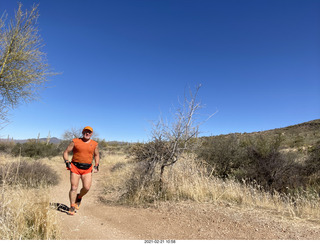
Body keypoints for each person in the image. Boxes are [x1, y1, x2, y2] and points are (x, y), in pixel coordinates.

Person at [63, 126, 100, 215]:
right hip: (75, 167)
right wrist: (67, 161)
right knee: (73, 188)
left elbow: (96, 155)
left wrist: (96, 165)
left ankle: (79, 197)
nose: (87, 133)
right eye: (86, 132)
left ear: (91, 134)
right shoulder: (75, 141)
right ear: (83, 132)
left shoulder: (94, 144)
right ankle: (72, 206)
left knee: (86, 188)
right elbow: (66, 152)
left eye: (89, 132)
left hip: (87, 169)